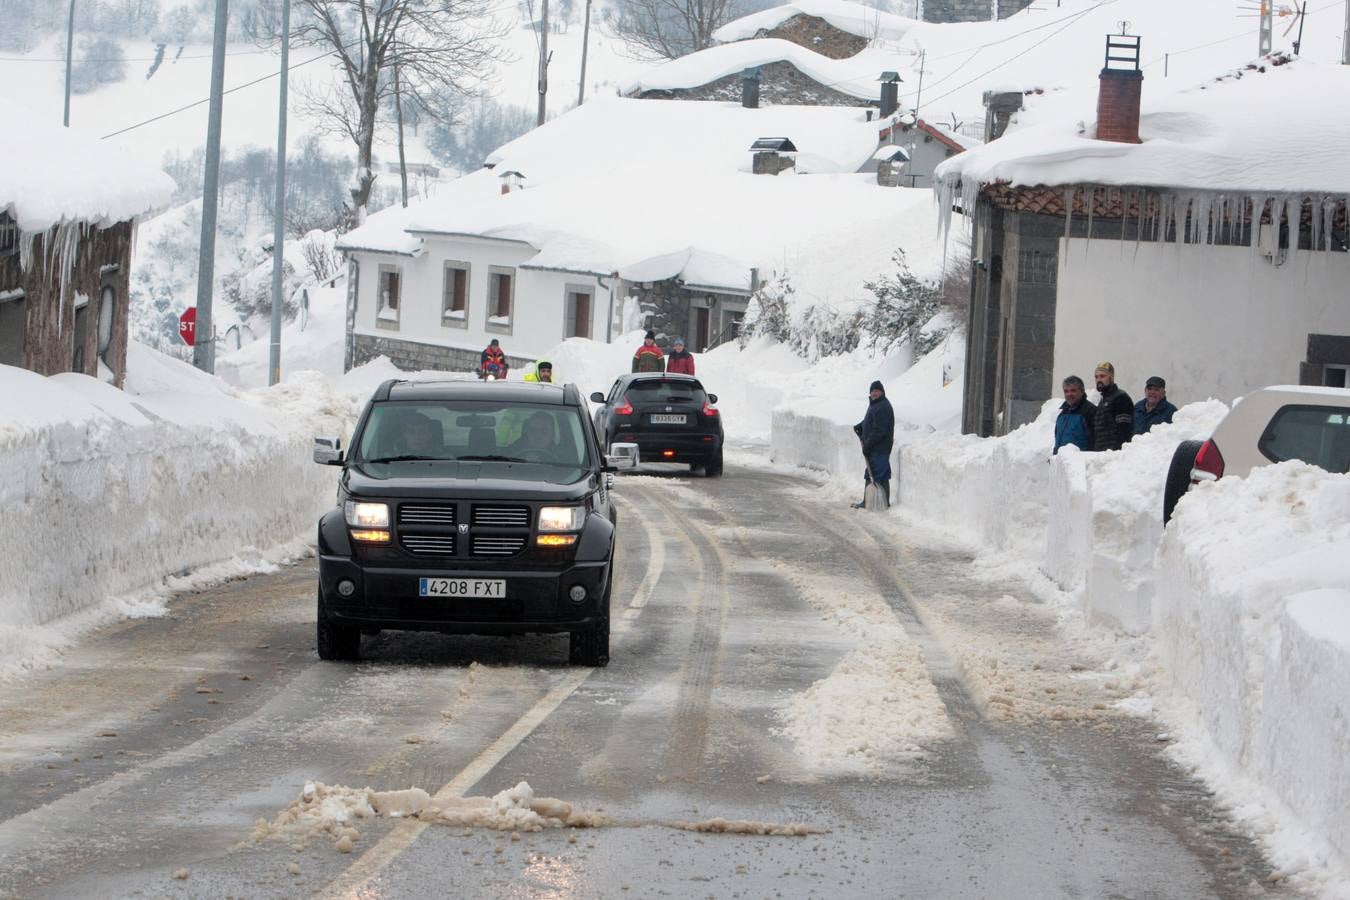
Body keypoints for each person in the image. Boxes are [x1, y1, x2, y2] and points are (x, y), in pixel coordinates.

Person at [851, 380, 895, 508]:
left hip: (879, 448)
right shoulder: (876, 405)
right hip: (878, 448)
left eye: (877, 390)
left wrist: (868, 445)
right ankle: (883, 503)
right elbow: (870, 421)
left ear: (882, 392)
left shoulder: (882, 407)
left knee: (873, 474)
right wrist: (861, 426)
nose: (874, 393)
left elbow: (879, 430)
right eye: (872, 391)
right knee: (881, 474)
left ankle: (869, 502)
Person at [1091, 361, 1134, 452]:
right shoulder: (1103, 400)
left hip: (1113, 455)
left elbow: (1124, 430)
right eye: (1096, 377)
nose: (1099, 380)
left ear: (1111, 377)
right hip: (1101, 454)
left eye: (1102, 376)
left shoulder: (1121, 398)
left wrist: (1116, 454)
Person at [1053, 375, 1096, 454]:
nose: (1069, 394)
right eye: (1066, 391)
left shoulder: (1090, 411)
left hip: (1080, 463)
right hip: (1062, 463)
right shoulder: (1062, 415)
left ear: (1082, 391)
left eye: (1073, 390)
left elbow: (1096, 442)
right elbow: (1058, 440)